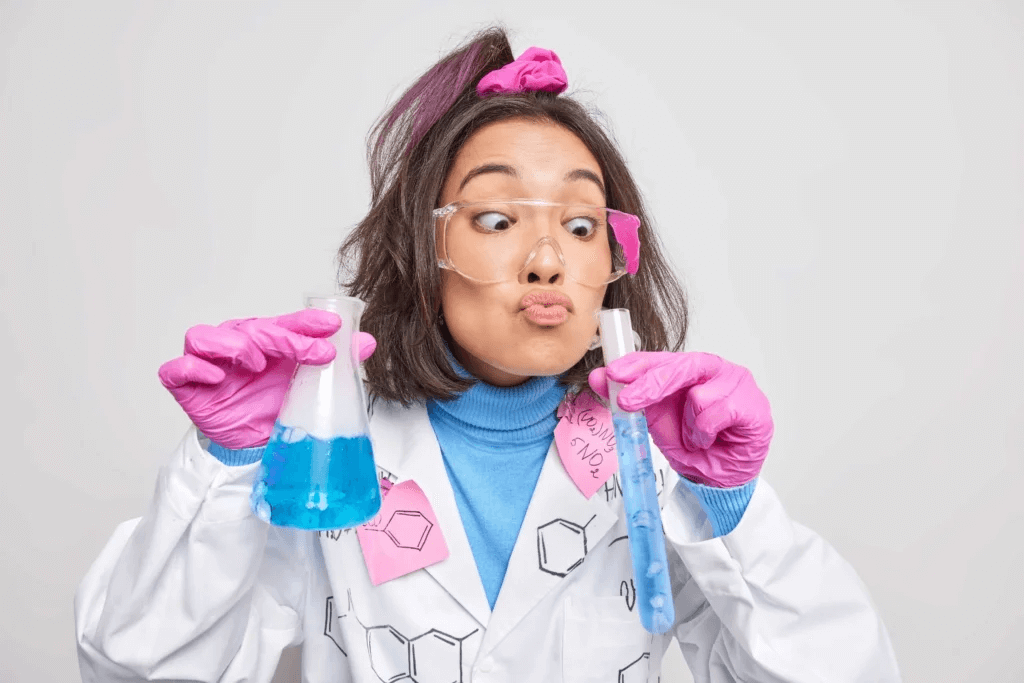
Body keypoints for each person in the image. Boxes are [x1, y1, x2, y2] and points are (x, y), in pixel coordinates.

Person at [75, 27, 901, 683]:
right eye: (498, 220)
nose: (548, 259)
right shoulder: (330, 450)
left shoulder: (657, 461)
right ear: (421, 250)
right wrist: (224, 465)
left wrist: (734, 510)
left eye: (581, 226)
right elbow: (139, 669)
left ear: (613, 259)